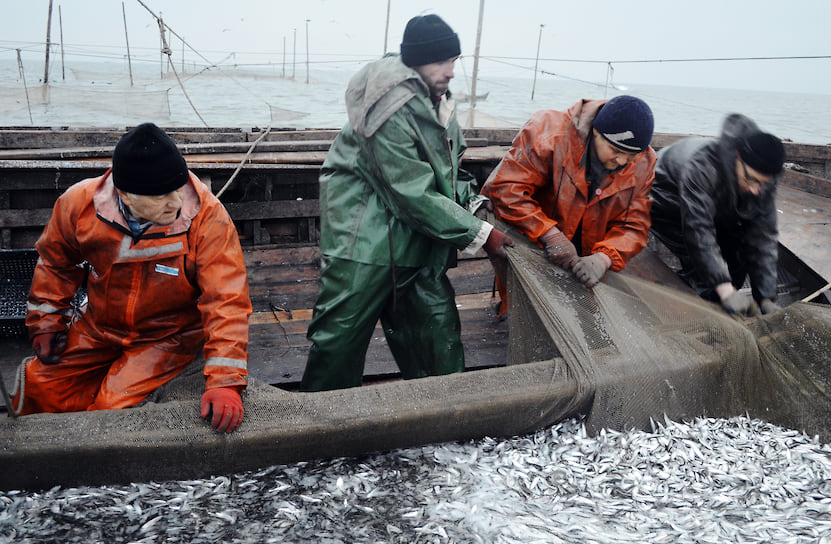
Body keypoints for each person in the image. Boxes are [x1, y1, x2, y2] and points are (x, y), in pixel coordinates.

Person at [300, 14, 514, 392]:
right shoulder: (386, 107)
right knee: (338, 342)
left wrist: (474, 204)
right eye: (441, 62)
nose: (450, 71)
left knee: (436, 335)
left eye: (453, 61)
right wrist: (482, 234)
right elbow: (409, 191)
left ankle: (447, 421)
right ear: (415, 61)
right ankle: (322, 435)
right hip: (364, 244)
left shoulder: (439, 101)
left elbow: (447, 172)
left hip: (418, 242)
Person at [16, 122, 251, 433]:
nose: (177, 203)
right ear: (124, 193)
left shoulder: (207, 217)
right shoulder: (78, 204)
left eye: (178, 189)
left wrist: (225, 381)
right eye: (161, 196)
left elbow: (227, 300)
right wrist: (45, 324)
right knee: (38, 387)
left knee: (110, 409)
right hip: (99, 326)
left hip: (166, 336)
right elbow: (55, 264)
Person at [481, 95, 656, 313]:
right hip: (532, 234)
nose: (621, 161)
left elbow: (634, 226)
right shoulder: (547, 132)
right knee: (528, 308)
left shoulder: (645, 163)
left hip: (589, 250)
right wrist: (549, 234)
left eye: (630, 156)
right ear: (595, 132)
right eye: (616, 151)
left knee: (587, 309)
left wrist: (604, 258)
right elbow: (507, 191)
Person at [648, 113, 785, 315]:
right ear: (738, 157)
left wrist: (766, 298)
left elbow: (763, 237)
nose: (757, 190)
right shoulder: (702, 166)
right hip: (665, 196)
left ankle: (722, 302)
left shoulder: (761, 181)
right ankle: (694, 311)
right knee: (699, 260)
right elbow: (699, 230)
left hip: (713, 202)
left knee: (738, 251)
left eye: (762, 184)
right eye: (752, 180)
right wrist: (724, 288)